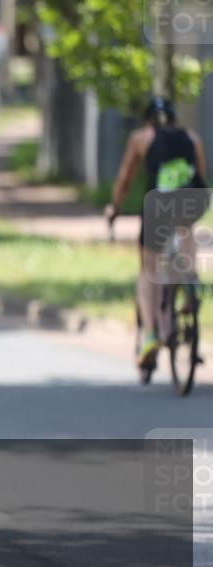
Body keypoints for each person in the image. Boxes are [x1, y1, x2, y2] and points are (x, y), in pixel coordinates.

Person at [105, 96, 207, 368]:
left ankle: (150, 334)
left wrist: (115, 207)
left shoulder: (141, 138)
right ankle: (189, 281)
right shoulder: (193, 138)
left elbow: (125, 177)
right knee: (186, 228)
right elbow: (200, 176)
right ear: (175, 118)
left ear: (147, 119)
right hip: (190, 203)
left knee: (148, 270)